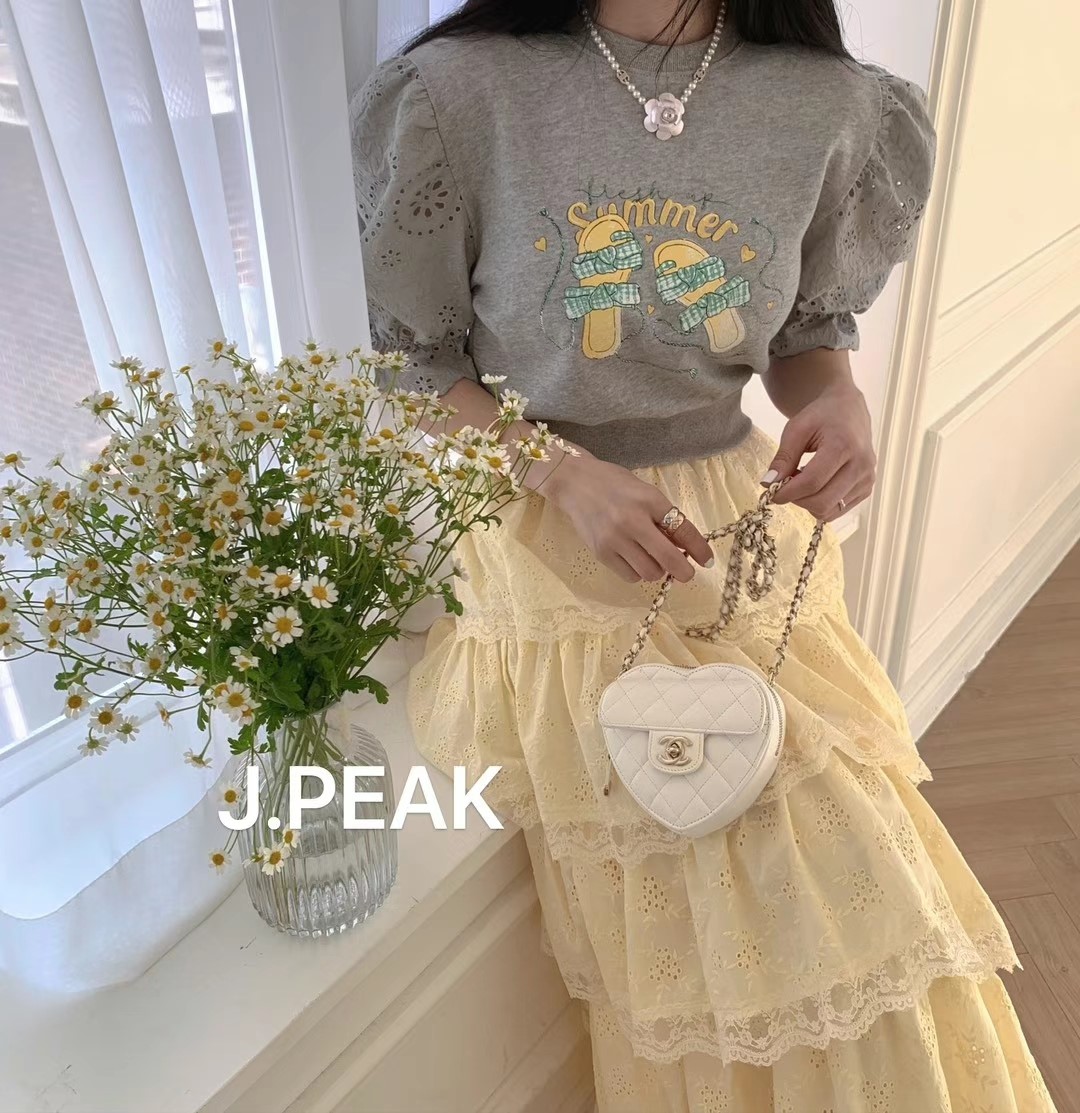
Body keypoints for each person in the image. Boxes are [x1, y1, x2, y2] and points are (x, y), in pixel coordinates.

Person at [350, 2, 1057, 1108]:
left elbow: (804, 340)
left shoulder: (830, 106)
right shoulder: (456, 95)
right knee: (716, 869)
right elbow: (415, 366)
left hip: (734, 519)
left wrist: (841, 403)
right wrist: (562, 476)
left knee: (870, 878)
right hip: (541, 528)